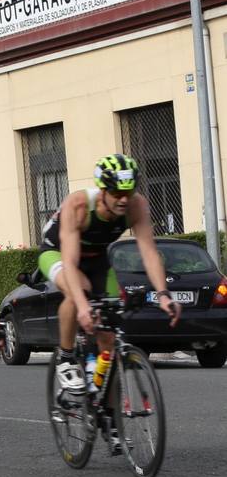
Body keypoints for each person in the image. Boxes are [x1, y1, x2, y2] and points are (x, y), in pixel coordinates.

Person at [38, 154, 180, 401]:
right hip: (58, 253)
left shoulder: (137, 206)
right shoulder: (79, 205)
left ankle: (112, 427)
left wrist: (164, 294)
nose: (124, 199)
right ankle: (67, 355)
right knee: (78, 290)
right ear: (103, 190)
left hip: (97, 258)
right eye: (116, 193)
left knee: (110, 341)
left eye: (129, 191)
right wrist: (83, 307)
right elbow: (70, 263)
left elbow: (148, 251)